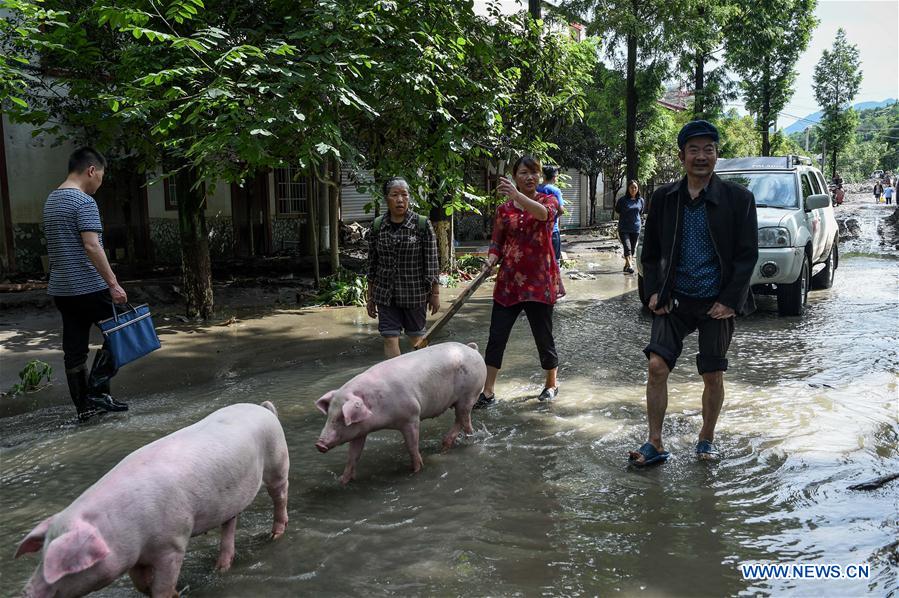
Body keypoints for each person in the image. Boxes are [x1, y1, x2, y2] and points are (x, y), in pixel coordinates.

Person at [631, 120, 758, 466]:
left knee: (712, 374)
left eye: (708, 149)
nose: (701, 157)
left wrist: (731, 300)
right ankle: (655, 442)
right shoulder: (664, 198)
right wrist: (654, 292)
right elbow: (651, 252)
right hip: (674, 299)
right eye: (694, 150)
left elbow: (748, 256)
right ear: (682, 156)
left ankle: (706, 439)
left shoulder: (739, 200)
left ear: (717, 155)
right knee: (656, 366)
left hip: (717, 302)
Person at [44, 147, 129, 421]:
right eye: (101, 177)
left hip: (62, 289)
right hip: (89, 287)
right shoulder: (83, 202)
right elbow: (92, 246)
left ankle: (85, 409)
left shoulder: (52, 200)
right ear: (91, 170)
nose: (100, 184)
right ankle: (98, 391)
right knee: (126, 330)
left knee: (75, 349)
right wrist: (113, 284)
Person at [475, 156, 565, 408]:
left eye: (534, 173)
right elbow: (497, 242)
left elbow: (544, 215)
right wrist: (491, 260)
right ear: (515, 176)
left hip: (540, 281)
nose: (530, 177)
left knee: (543, 335)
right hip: (508, 283)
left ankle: (551, 384)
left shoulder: (549, 200)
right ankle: (489, 391)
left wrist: (518, 196)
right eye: (524, 173)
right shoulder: (504, 211)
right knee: (497, 336)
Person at [366, 177, 440, 358]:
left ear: (409, 198)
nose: (400, 199)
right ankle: (397, 383)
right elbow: (372, 264)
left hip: (414, 294)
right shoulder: (377, 226)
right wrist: (370, 296)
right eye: (395, 195)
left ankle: (423, 380)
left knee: (417, 338)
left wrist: (435, 294)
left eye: (404, 195)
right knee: (390, 337)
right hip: (385, 294)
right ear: (386, 198)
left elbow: (432, 262)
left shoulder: (421, 225)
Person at [536, 165, 566, 262]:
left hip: (537, 231)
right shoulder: (555, 191)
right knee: (554, 261)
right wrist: (554, 217)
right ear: (554, 177)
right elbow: (561, 210)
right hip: (552, 231)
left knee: (540, 260)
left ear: (543, 176)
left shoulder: (536, 189)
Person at [615, 180, 645, 274]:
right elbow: (618, 210)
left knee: (632, 248)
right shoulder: (622, 200)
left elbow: (641, 212)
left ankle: (626, 265)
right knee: (627, 247)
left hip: (636, 228)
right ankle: (631, 265)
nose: (633, 189)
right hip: (624, 228)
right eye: (632, 187)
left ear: (638, 189)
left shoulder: (641, 200)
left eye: (635, 187)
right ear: (628, 189)